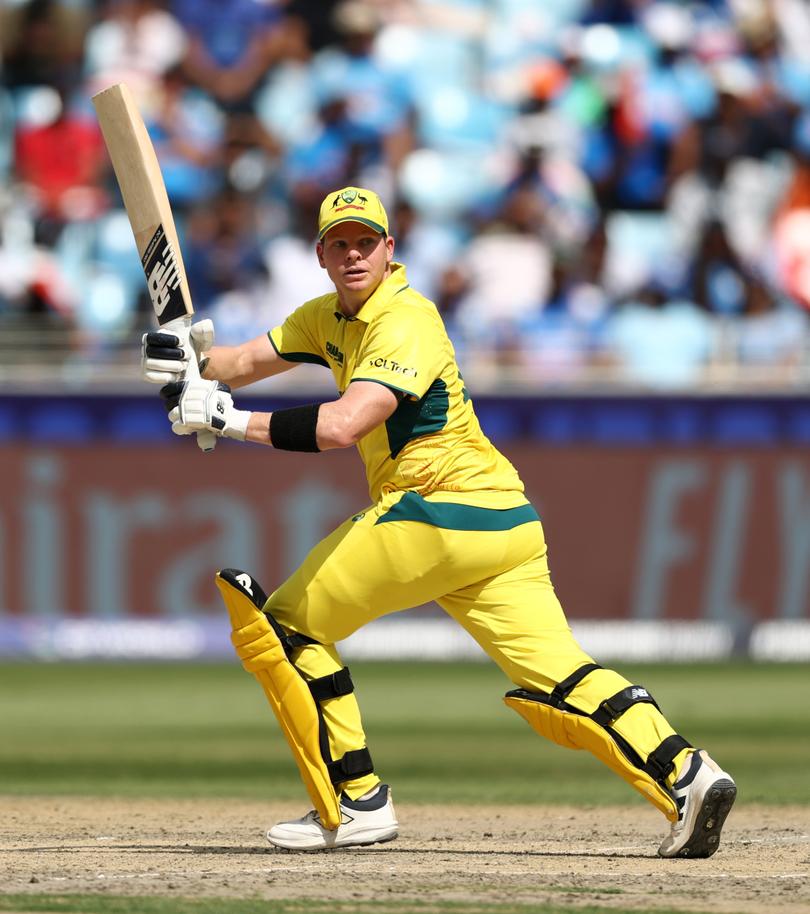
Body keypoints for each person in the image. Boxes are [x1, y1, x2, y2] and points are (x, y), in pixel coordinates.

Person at [141, 186, 736, 857]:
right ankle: (689, 774)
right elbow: (239, 363)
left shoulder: (406, 320)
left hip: (435, 509)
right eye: (341, 243)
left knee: (286, 628)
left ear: (391, 251)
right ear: (322, 256)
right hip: (503, 524)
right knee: (562, 675)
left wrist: (223, 418)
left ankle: (354, 801)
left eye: (367, 241)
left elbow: (343, 425)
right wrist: (182, 362)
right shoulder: (324, 318)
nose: (355, 253)